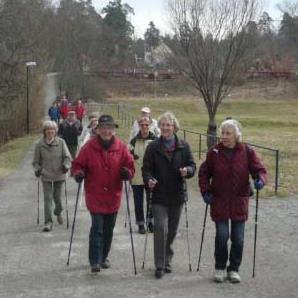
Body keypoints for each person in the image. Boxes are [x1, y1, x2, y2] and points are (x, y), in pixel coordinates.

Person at [198, 119, 267, 283]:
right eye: (222, 133)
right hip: (219, 201)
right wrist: (205, 191)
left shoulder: (246, 151)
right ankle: (220, 268)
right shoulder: (214, 152)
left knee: (238, 238)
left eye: (228, 133)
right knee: (222, 236)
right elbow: (203, 173)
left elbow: (259, 170)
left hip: (239, 201)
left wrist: (260, 180)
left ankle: (234, 269)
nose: (224, 136)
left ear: (237, 136)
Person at [71, 114, 135, 273]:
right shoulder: (89, 147)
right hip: (95, 195)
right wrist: (78, 173)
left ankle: (104, 256)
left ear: (113, 130)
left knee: (109, 228)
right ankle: (94, 260)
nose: (107, 131)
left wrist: (127, 173)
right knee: (97, 228)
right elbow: (77, 165)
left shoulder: (121, 147)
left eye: (110, 128)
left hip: (113, 195)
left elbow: (130, 166)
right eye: (104, 128)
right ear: (98, 129)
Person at [142, 112, 196, 279]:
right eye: (163, 124)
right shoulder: (152, 147)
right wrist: (149, 179)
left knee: (171, 231)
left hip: (177, 195)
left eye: (168, 125)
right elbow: (146, 169)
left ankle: (167, 259)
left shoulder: (184, 146)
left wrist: (188, 171)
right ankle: (159, 264)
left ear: (174, 127)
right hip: (159, 195)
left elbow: (192, 166)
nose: (165, 127)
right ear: (159, 127)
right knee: (159, 228)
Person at [32, 121, 72, 232]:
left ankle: (58, 211)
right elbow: (35, 162)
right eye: (48, 129)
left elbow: (68, 157)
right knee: (48, 198)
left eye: (52, 129)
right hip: (46, 175)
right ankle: (48, 222)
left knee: (57, 198)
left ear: (55, 131)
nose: (50, 131)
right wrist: (37, 169)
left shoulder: (61, 142)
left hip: (59, 174)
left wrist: (66, 166)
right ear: (44, 131)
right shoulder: (39, 144)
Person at [129, 116, 156, 234]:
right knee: (138, 201)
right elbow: (127, 157)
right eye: (142, 125)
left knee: (151, 200)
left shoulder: (155, 139)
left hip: (151, 175)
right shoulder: (134, 140)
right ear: (139, 126)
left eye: (146, 125)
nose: (144, 127)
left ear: (150, 125)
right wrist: (131, 157)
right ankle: (140, 224)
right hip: (137, 175)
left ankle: (150, 222)